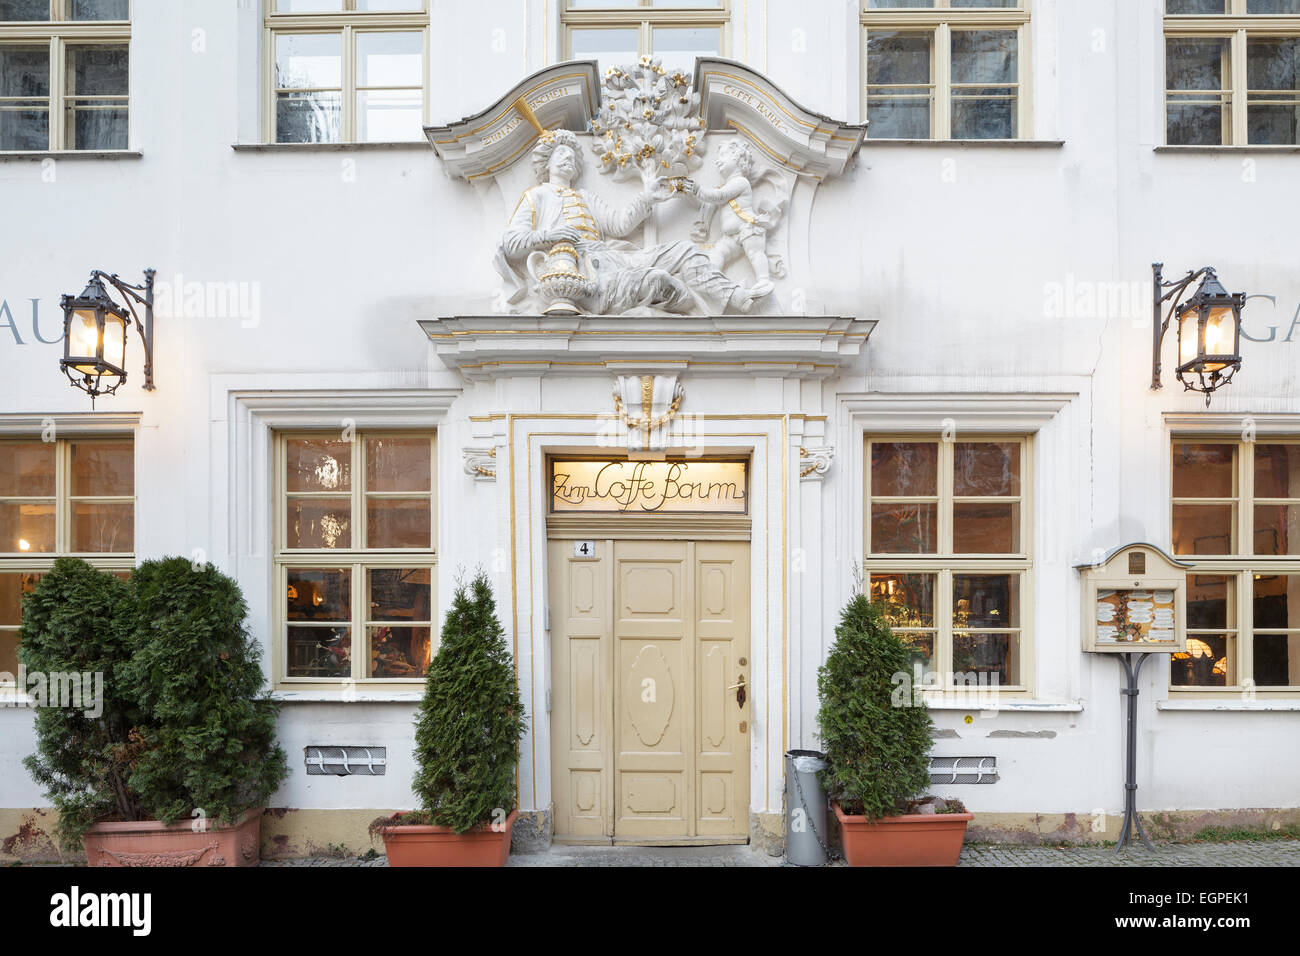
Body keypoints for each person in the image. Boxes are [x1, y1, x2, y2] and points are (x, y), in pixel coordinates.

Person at [494, 129, 757, 315]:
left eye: (572, 156)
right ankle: (690, 309)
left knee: (685, 250)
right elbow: (511, 242)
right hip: (588, 272)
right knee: (657, 282)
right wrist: (549, 236)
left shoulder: (585, 197)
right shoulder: (537, 196)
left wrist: (648, 197)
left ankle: (734, 296)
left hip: (614, 257)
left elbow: (619, 225)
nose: (568, 158)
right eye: (561, 153)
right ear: (547, 162)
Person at [683, 139, 786, 298]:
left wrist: (699, 189)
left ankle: (764, 280)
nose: (718, 160)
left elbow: (720, 196)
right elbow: (708, 201)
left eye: (723, 155)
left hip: (747, 229)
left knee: (755, 253)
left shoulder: (740, 182)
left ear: (739, 159)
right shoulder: (727, 185)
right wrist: (691, 191)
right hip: (730, 236)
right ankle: (712, 280)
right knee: (717, 254)